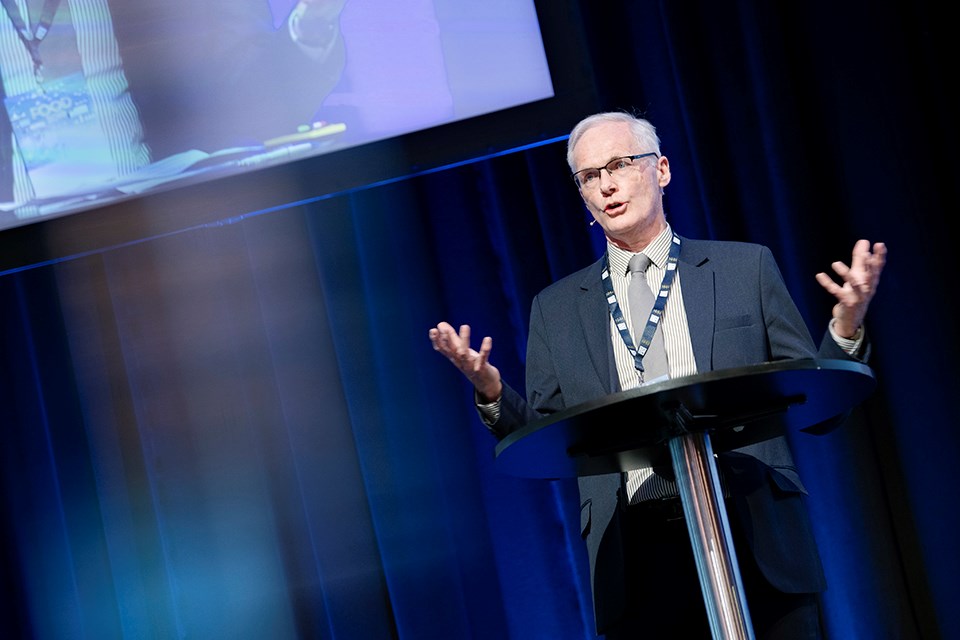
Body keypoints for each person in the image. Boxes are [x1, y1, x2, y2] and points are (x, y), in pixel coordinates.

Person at [428, 111, 886, 639]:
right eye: (589, 176)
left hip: (754, 531)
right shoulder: (555, 309)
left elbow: (817, 403)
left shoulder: (744, 269)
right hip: (637, 553)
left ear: (661, 170)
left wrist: (845, 325)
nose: (606, 185)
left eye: (619, 164)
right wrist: (489, 389)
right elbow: (551, 439)